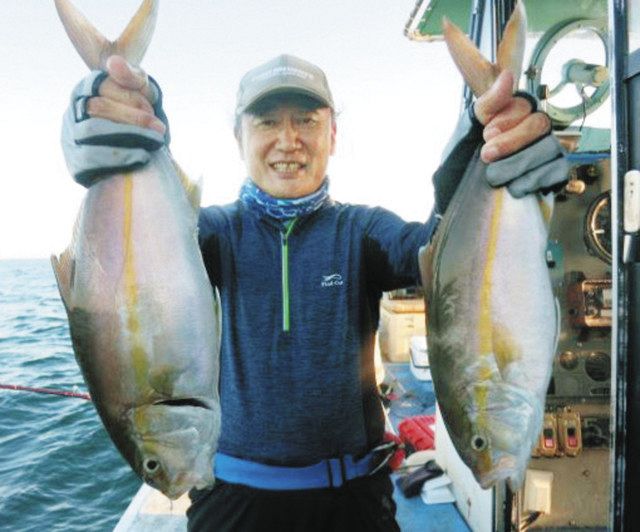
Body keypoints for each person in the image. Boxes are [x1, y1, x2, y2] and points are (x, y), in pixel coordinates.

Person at [61, 53, 568, 531]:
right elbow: (135, 261)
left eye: (306, 121)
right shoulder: (209, 235)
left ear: (333, 133)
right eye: (266, 122)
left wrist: (479, 154)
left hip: (353, 498)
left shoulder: (362, 231)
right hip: (231, 500)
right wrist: (126, 137)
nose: (288, 140)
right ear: (238, 136)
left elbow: (447, 255)